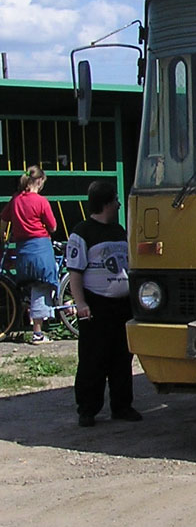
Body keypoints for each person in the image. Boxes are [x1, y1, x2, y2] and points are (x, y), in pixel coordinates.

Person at [67, 180, 141, 427]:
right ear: (106, 203)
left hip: (121, 306)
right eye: (116, 200)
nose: (119, 204)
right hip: (96, 306)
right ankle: (87, 409)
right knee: (93, 360)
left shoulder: (119, 231)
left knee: (122, 359)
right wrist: (81, 304)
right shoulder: (82, 232)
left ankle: (122, 406)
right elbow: (75, 274)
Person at [0, 166, 58, 344]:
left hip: (22, 250)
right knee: (42, 285)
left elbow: (3, 220)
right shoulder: (41, 201)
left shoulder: (16, 200)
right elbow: (53, 226)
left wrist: (3, 237)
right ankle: (38, 333)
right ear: (39, 181)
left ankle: (31, 313)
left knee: (29, 286)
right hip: (40, 248)